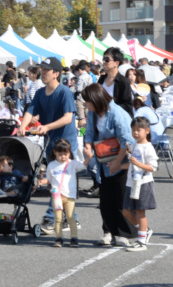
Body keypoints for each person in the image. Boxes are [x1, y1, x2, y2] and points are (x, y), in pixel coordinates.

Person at [18, 56, 79, 235]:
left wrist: (47, 127)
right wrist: (22, 126)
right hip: (50, 142)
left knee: (58, 182)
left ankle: (51, 219)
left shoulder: (64, 92)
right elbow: (30, 110)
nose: (42, 73)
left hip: (66, 144)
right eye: (41, 69)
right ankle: (71, 218)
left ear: (56, 74)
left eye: (46, 70)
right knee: (59, 182)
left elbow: (68, 117)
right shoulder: (39, 93)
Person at [82, 83, 137, 247]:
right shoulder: (93, 113)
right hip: (103, 160)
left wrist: (118, 162)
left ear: (96, 99)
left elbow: (127, 141)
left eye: (87, 101)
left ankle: (123, 233)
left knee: (121, 199)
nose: (85, 104)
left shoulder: (117, 114)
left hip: (121, 160)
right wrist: (87, 144)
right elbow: (90, 132)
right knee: (105, 200)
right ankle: (108, 231)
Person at [39, 139, 86, 248]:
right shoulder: (51, 165)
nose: (63, 157)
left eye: (66, 154)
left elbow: (83, 166)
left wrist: (88, 157)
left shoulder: (72, 163)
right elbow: (49, 180)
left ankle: (74, 238)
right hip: (57, 197)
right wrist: (43, 182)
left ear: (69, 153)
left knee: (70, 217)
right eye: (60, 154)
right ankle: (58, 238)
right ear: (55, 152)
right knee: (58, 218)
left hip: (69, 196)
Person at [122, 117, 158, 252]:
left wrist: (138, 164)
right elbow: (131, 162)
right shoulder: (134, 145)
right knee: (126, 211)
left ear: (147, 131)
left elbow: (153, 167)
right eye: (133, 130)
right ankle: (145, 230)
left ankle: (142, 241)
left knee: (140, 212)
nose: (135, 133)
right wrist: (120, 165)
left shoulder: (148, 147)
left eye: (139, 130)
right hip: (131, 183)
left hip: (143, 183)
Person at [99, 47, 134, 117]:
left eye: (107, 59)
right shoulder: (101, 79)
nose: (104, 62)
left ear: (116, 63)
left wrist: (108, 107)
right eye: (103, 59)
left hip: (117, 120)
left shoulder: (123, 82)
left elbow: (127, 105)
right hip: (102, 120)